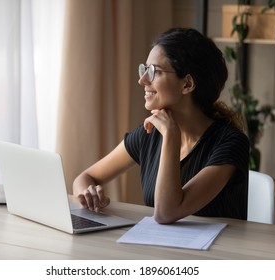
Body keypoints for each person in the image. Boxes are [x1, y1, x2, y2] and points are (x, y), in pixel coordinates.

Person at [73, 27, 250, 224]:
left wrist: (171, 136)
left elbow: (167, 213)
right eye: (144, 69)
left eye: (154, 71)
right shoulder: (149, 133)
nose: (142, 80)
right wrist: (87, 194)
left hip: (221, 252)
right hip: (160, 250)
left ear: (187, 84)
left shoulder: (230, 143)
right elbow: (85, 177)